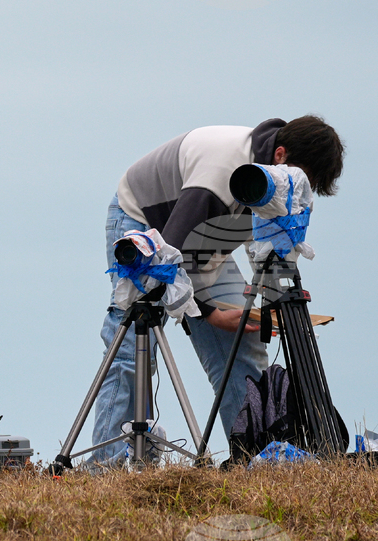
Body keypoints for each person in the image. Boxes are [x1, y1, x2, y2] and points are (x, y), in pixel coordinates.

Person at [91, 116, 344, 463]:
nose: (299, 189)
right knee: (136, 341)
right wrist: (211, 313)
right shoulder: (221, 174)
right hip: (146, 225)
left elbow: (265, 246)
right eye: (303, 179)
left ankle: (252, 457)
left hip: (202, 239)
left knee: (243, 339)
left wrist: (277, 296)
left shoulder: (272, 181)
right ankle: (106, 463)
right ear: (281, 155)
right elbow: (171, 261)